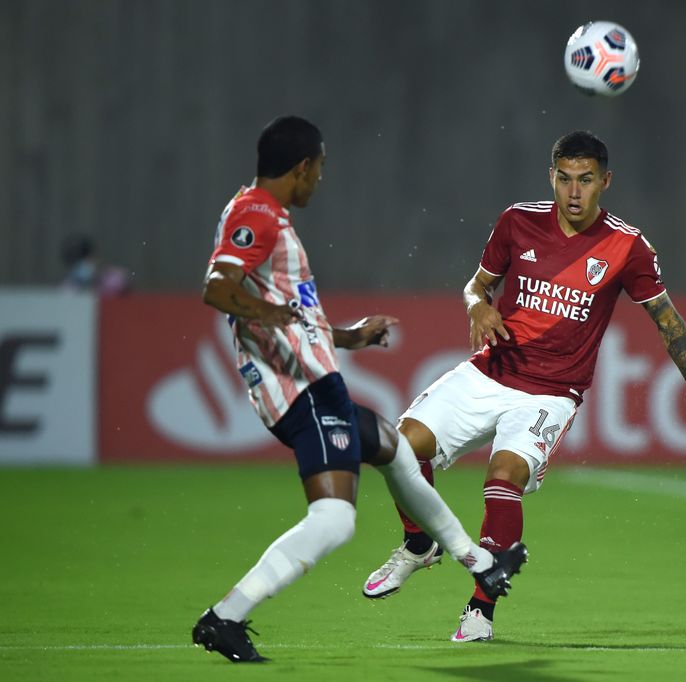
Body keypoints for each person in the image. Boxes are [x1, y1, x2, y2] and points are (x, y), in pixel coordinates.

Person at [361, 130, 686, 642]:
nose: (574, 192)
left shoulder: (627, 246)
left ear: (606, 181)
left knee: (504, 477)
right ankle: (419, 543)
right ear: (551, 177)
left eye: (586, 180)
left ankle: (480, 609)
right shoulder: (517, 221)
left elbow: (665, 317)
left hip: (551, 392)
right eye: (564, 179)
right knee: (400, 447)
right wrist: (477, 306)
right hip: (490, 370)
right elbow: (476, 285)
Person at [191, 115, 527, 664]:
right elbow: (217, 287)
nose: (320, 179)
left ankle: (481, 563)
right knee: (334, 520)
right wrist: (273, 316)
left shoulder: (266, 215)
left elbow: (291, 313)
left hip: (317, 381)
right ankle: (224, 618)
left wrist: (347, 336)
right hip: (298, 390)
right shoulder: (256, 213)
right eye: (319, 168)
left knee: (394, 450)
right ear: (302, 167)